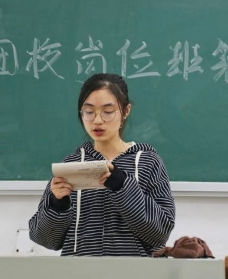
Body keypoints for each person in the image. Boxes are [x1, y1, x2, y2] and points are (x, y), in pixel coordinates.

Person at [29, 73, 176, 256]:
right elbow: (45, 239)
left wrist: (123, 186)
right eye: (89, 112)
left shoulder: (148, 162)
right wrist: (57, 204)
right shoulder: (71, 166)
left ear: (126, 111)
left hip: (133, 269)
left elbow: (161, 233)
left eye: (108, 112)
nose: (97, 120)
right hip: (79, 269)